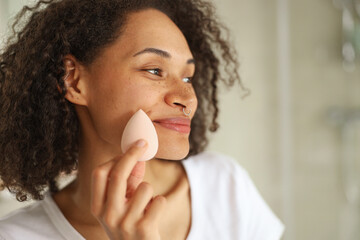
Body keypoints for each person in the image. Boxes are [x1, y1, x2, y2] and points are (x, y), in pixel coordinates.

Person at [0, 0, 285, 239]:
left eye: (188, 77)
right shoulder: (16, 235)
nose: (187, 98)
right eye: (154, 70)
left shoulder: (224, 186)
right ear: (74, 81)